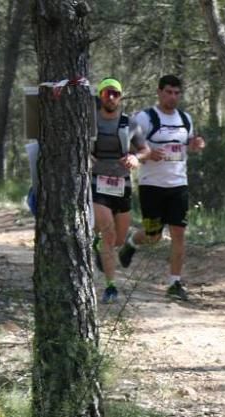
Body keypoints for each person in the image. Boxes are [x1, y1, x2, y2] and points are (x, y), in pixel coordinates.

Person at [119, 74, 206, 301]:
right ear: (159, 92)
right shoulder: (145, 118)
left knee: (179, 233)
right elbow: (129, 145)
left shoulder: (185, 118)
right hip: (151, 186)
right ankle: (131, 242)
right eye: (168, 92)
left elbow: (185, 144)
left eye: (177, 93)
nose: (173, 97)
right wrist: (146, 155)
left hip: (178, 185)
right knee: (153, 236)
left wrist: (195, 145)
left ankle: (174, 283)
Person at [91, 78, 150, 304]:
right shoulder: (91, 121)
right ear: (100, 96)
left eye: (116, 94)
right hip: (97, 182)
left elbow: (145, 149)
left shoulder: (130, 123)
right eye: (107, 94)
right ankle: (111, 287)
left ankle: (99, 247)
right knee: (107, 232)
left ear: (121, 97)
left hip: (122, 184)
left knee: (117, 240)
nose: (112, 98)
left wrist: (136, 157)